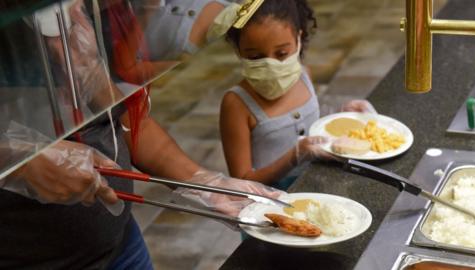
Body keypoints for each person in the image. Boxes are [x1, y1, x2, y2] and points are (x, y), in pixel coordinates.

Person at [0, 1, 282, 269]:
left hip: (121, 245)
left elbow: (126, 121)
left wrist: (203, 183)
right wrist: (22, 160)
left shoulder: (65, 19)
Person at [219, 0, 376, 190]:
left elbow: (310, 128)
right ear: (238, 50)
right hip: (276, 201)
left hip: (319, 184)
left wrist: (342, 114)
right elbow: (242, 181)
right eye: (255, 57)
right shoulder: (236, 104)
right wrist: (294, 156)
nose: (271, 65)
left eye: (282, 53)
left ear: (298, 40)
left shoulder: (303, 75)